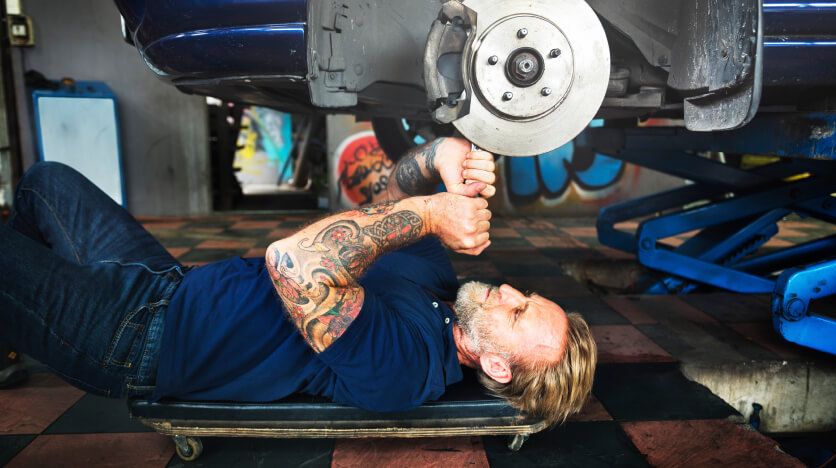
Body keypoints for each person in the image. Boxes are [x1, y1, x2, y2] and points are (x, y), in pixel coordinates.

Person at [0, 137, 596, 425]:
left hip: (132, 338)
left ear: (495, 366)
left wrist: (431, 214)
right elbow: (391, 194)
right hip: (166, 283)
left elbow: (291, 263)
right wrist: (439, 157)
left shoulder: (409, 366)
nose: (508, 292)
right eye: (527, 295)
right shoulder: (439, 283)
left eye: (517, 312)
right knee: (45, 182)